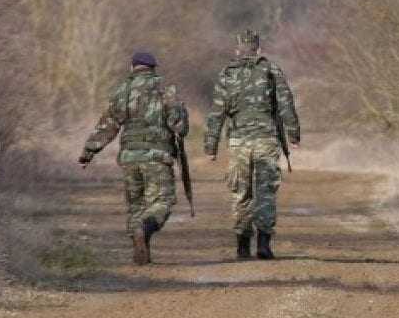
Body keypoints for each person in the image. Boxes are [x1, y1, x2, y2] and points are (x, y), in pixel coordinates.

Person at [78, 51, 188, 265]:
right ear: (153, 69)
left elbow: (108, 126)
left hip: (129, 158)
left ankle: (140, 248)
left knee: (135, 205)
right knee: (161, 201)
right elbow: (179, 128)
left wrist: (89, 152)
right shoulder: (166, 90)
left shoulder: (122, 91)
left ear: (132, 68)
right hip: (157, 157)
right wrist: (182, 114)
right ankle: (145, 229)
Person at [204, 29, 301, 260]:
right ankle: (264, 244)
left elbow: (217, 112)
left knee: (241, 192)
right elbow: (286, 103)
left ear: (238, 50)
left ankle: (242, 245)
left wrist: (211, 147)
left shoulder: (227, 74)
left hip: (238, 141)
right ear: (258, 49)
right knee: (265, 191)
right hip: (266, 139)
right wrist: (294, 135)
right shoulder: (271, 70)